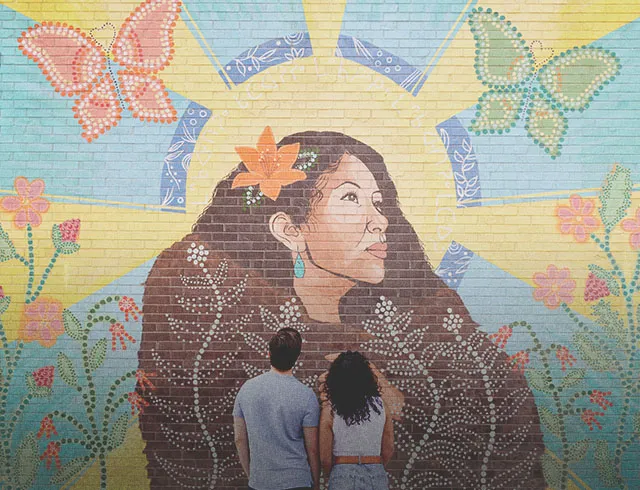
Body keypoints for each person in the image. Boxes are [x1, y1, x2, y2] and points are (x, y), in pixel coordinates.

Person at [137, 129, 546, 489]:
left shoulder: (427, 323)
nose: (380, 221)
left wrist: (403, 404)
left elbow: (499, 424)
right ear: (290, 231)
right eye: (351, 197)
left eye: (379, 201)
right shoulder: (216, 315)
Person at [233, 327, 320, 490]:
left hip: (260, 481)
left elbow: (239, 439)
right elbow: (313, 450)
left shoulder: (247, 389)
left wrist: (251, 475)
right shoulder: (307, 396)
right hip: (297, 481)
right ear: (296, 357)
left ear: (269, 354)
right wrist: (315, 484)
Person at [319, 351, 393, 490]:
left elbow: (325, 457)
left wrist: (336, 473)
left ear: (336, 379)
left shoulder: (330, 410)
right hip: (375, 473)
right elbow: (388, 448)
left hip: (342, 473)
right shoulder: (381, 406)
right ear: (366, 377)